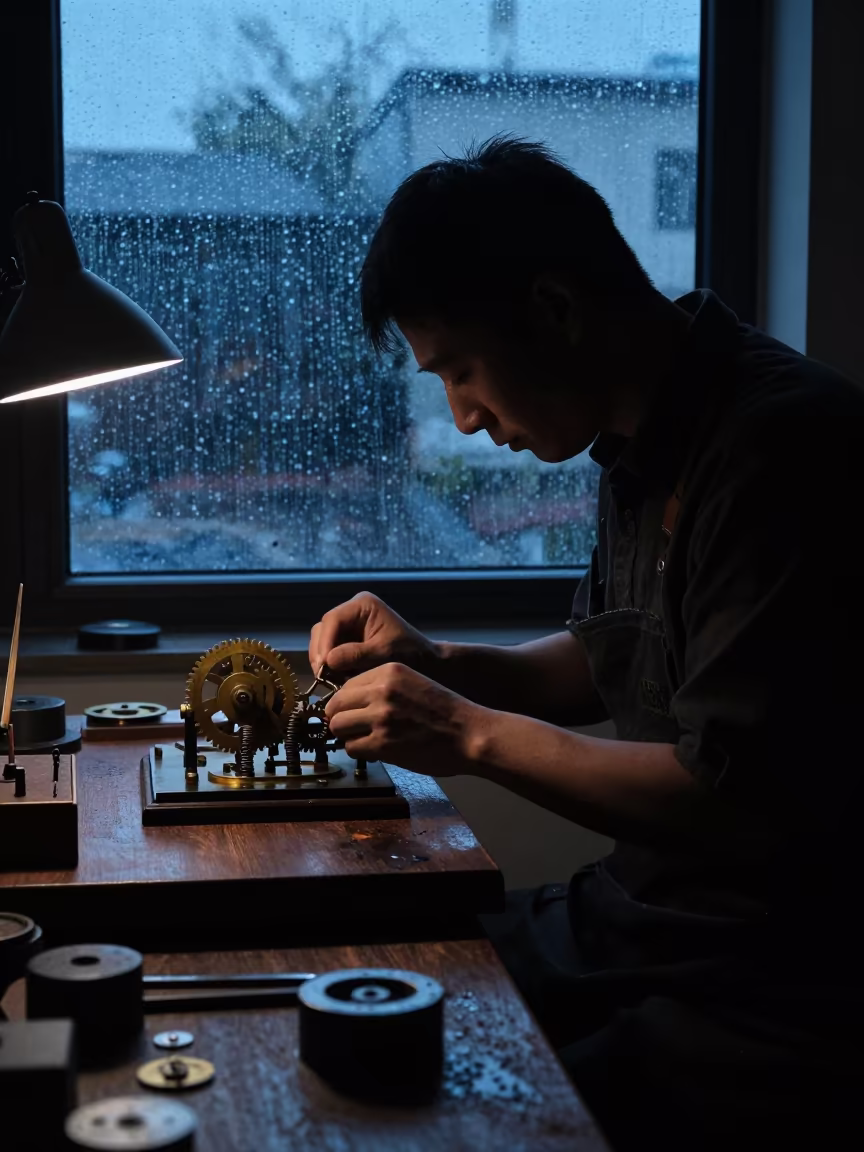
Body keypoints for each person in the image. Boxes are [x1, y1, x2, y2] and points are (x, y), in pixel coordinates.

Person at [309, 136, 864, 1150]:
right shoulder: (639, 442)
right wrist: (436, 668)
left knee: (417, 1109)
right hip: (633, 925)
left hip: (764, 980)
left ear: (555, 309)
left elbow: (730, 796)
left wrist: (467, 735)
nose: (464, 418)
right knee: (358, 982)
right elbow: (605, 658)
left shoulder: (783, 448)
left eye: (463, 371)